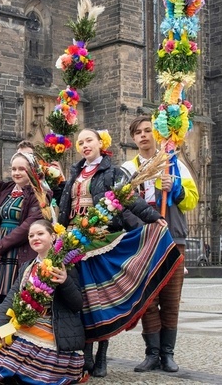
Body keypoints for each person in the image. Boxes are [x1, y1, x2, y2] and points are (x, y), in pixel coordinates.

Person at [58, 128, 178, 378]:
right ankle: (86, 355)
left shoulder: (113, 172)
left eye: (89, 140)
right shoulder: (74, 173)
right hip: (74, 242)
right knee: (80, 301)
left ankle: (101, 356)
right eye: (80, 142)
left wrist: (153, 217)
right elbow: (64, 207)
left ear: (101, 143)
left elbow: (129, 199)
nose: (84, 145)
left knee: (98, 300)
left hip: (101, 239)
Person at [121, 115, 199, 373]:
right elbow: (119, 204)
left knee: (171, 297)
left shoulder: (173, 164)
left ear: (155, 134)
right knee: (148, 297)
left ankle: (167, 353)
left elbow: (192, 201)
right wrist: (137, 227)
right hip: (142, 239)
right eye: (138, 132)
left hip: (172, 237)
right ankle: (151, 353)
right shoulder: (127, 169)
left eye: (147, 131)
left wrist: (174, 186)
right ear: (133, 138)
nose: (143, 135)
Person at [0, 220, 86, 384]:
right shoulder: (27, 266)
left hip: (52, 327)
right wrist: (2, 326)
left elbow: (77, 305)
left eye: (40, 234)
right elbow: (12, 297)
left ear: (53, 237)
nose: (35, 238)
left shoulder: (66, 266)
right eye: (31, 235)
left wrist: (65, 282)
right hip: (26, 321)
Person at [0, 151, 47, 304]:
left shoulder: (38, 194)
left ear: (32, 170)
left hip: (18, 248)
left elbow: (28, 226)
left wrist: (1, 246)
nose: (16, 172)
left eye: (21, 169)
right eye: (14, 169)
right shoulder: (5, 191)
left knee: (13, 295)